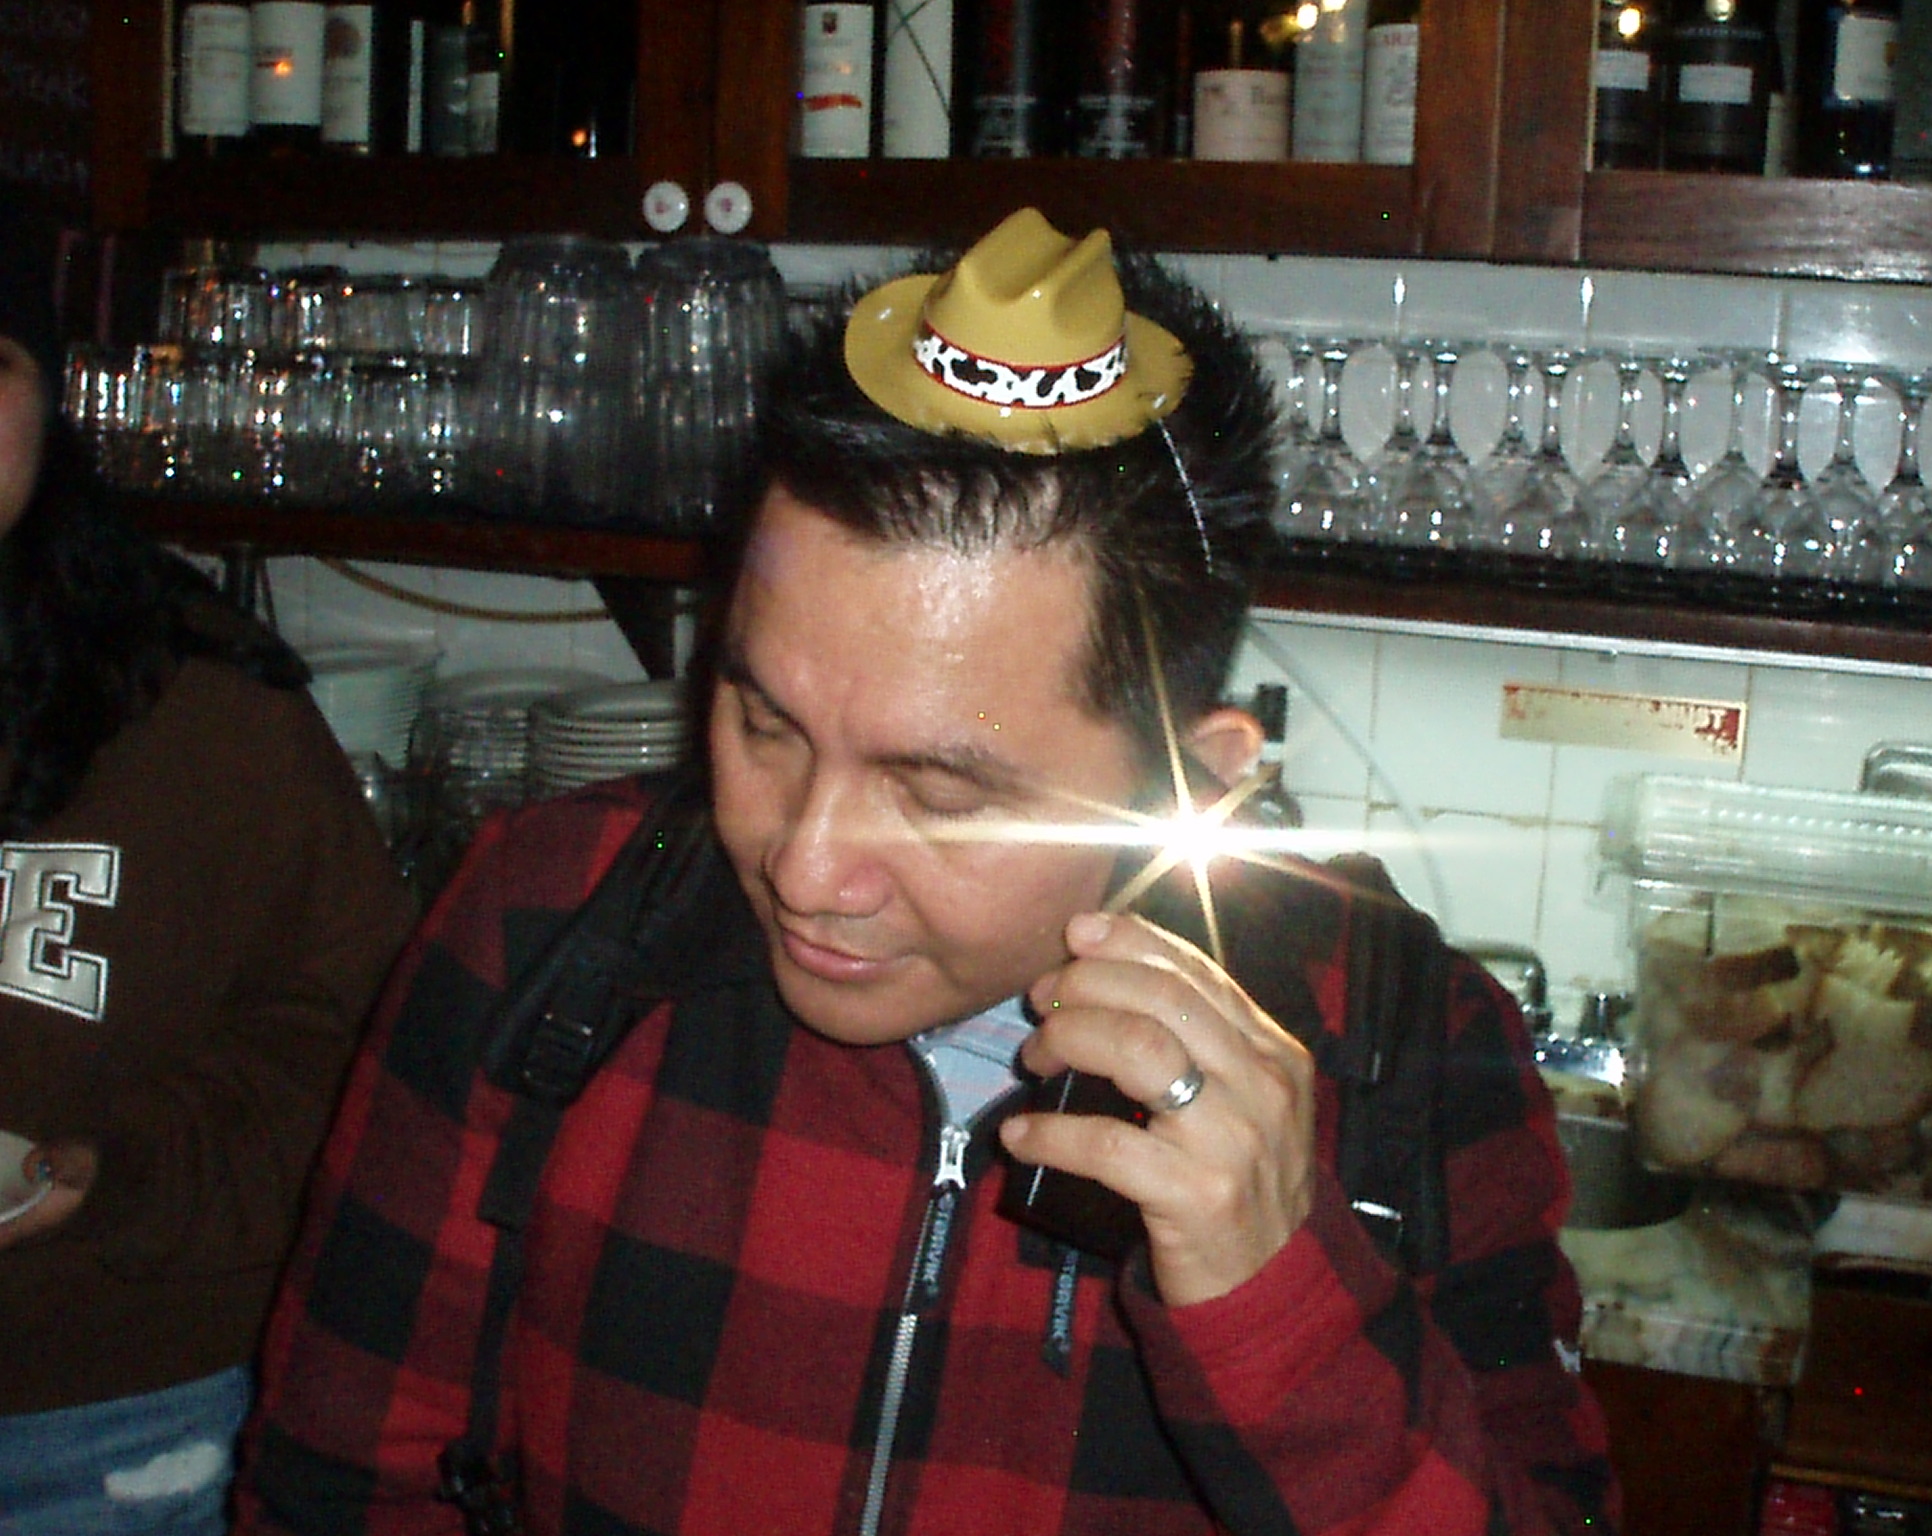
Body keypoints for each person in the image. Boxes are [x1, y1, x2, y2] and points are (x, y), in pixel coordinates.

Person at [237, 207, 1618, 1535]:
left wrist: (1282, 1306)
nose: (804, 866)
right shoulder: (543, 921)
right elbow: (333, 1488)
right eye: (764, 722)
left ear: (1188, 785)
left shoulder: (1407, 1052)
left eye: (942, 794)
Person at [0, 195, 418, 1534]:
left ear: (45, 402)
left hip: (102, 1423)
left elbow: (354, 1052)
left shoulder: (203, 705)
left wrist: (105, 1171)